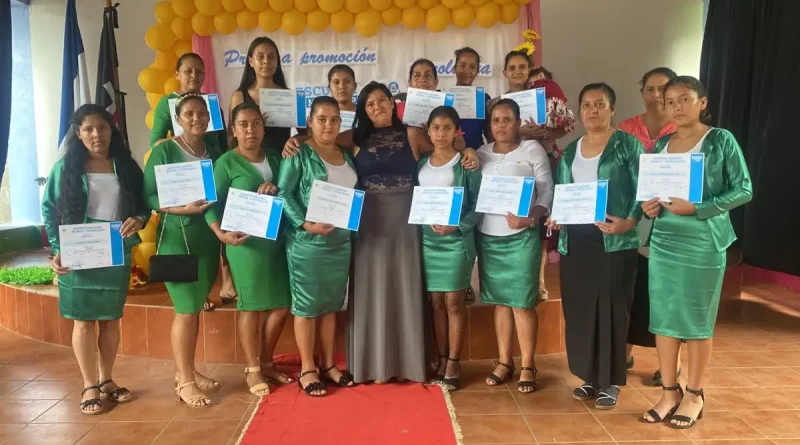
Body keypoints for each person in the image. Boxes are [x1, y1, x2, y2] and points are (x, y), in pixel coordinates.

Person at [346, 81, 478, 384]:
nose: (377, 106)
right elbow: (318, 140)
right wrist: (295, 142)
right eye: (369, 103)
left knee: (407, 286)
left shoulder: (413, 134)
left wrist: (468, 147)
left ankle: (413, 363)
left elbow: (447, 151)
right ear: (363, 109)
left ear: (393, 103)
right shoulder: (353, 137)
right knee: (373, 288)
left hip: (409, 220)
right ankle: (371, 364)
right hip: (369, 222)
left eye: (382, 100)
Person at [640, 76, 752, 428]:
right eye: (670, 100)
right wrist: (649, 207)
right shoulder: (661, 146)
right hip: (664, 242)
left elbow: (744, 189)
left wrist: (700, 207)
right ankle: (669, 391)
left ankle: (695, 394)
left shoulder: (721, 140)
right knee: (664, 318)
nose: (676, 105)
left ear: (701, 102)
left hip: (703, 241)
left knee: (696, 321)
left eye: (684, 98)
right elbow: (650, 193)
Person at [42, 104, 149, 414]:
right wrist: (58, 246)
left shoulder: (125, 165)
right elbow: (49, 207)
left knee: (111, 318)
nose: (96, 134)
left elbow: (144, 202)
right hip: (79, 248)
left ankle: (106, 380)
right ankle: (89, 384)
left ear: (110, 130)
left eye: (102, 128)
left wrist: (140, 219)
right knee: (84, 319)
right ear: (78, 133)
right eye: (88, 129)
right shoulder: (66, 168)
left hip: (116, 247)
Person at [546, 83, 645, 409]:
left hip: (614, 239)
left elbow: (645, 190)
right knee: (582, 308)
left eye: (600, 104)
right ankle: (589, 376)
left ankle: (611, 380)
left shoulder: (628, 146)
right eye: (586, 105)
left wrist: (630, 221)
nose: (593, 110)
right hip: (576, 240)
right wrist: (557, 216)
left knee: (613, 308)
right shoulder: (572, 151)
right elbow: (562, 190)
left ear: (612, 109)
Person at [143, 93, 224, 408]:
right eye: (189, 113)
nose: (196, 118)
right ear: (178, 118)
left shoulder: (214, 152)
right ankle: (185, 382)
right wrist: (179, 209)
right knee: (187, 310)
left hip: (207, 239)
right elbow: (149, 195)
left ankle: (186, 370)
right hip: (178, 239)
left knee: (194, 311)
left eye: (202, 113)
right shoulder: (164, 151)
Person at [205, 102, 292, 396]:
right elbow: (210, 204)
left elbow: (288, 188)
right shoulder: (226, 163)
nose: (250, 130)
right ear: (233, 130)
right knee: (251, 307)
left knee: (282, 304)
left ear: (263, 127)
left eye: (256, 123)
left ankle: (267, 361)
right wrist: (221, 235)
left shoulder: (275, 158)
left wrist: (275, 188)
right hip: (244, 245)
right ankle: (252, 369)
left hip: (277, 241)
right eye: (243, 124)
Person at [277, 96, 358, 397]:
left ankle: (328, 365)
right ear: (310, 121)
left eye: (334, 119)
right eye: (321, 119)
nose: (328, 125)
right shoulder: (298, 152)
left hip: (340, 243)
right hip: (307, 243)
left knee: (331, 306)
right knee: (307, 306)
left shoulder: (346, 156)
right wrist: (305, 224)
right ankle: (308, 368)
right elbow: (285, 193)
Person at [478, 99, 553, 393]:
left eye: (507, 119)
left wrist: (531, 218)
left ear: (518, 122)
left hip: (521, 237)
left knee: (522, 303)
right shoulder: (482, 153)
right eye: (495, 120)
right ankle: (504, 362)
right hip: (489, 236)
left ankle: (528, 365)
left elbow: (547, 189)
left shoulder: (532, 150)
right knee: (500, 301)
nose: (501, 125)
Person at [148, 52, 233, 310]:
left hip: (207, 209)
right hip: (179, 214)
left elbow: (219, 147)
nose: (194, 76)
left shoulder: (213, 108)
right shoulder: (167, 106)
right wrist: (176, 148)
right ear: (177, 74)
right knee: (186, 308)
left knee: (195, 296)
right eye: (188, 71)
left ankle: (218, 286)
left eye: (199, 70)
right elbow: (156, 141)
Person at [618, 67, 680, 385]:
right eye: (650, 89)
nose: (656, 96)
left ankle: (668, 364)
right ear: (642, 91)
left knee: (664, 294)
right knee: (633, 288)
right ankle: (624, 355)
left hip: (672, 221)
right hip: (633, 217)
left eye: (663, 90)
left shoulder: (682, 129)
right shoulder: (627, 128)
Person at [419, 106, 482, 391]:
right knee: (435, 303)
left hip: (456, 242)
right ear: (428, 131)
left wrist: (458, 226)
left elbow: (478, 205)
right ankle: (441, 359)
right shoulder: (420, 164)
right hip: (428, 242)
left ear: (456, 131)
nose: (441, 133)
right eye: (436, 127)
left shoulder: (466, 164)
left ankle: (455, 362)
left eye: (447, 128)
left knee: (453, 302)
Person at [525, 67, 576, 302]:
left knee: (544, 222)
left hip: (548, 160)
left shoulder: (555, 102)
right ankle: (523, 277)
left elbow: (565, 127)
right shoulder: (514, 103)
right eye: (534, 81)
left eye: (543, 79)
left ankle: (540, 279)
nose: (539, 83)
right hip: (522, 166)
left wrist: (547, 131)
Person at [229, 37, 296, 152]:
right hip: (249, 164)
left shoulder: (289, 96)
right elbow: (231, 137)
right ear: (250, 61)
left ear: (277, 61)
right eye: (260, 57)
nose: (266, 61)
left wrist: (294, 140)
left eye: (271, 57)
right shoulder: (239, 96)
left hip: (283, 163)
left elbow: (306, 134)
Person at [486, 51, 547, 146]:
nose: (517, 72)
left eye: (522, 67)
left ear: (529, 69)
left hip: (539, 153)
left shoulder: (542, 98)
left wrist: (543, 132)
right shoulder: (494, 104)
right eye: (512, 68)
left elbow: (557, 130)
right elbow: (490, 138)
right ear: (505, 73)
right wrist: (518, 132)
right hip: (507, 157)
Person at [453, 47, 491, 150]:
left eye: (473, 67)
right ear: (454, 68)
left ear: (477, 71)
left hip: (477, 155)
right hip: (448, 156)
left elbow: (490, 134)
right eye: (462, 66)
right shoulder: (443, 96)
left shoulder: (483, 98)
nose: (467, 70)